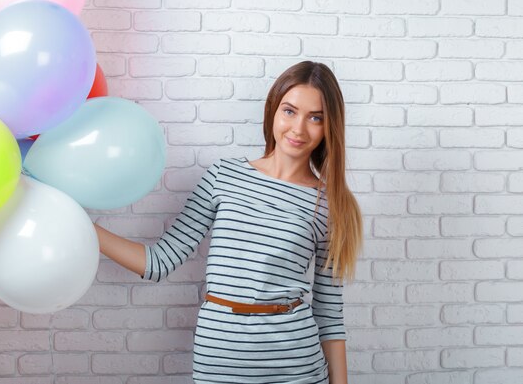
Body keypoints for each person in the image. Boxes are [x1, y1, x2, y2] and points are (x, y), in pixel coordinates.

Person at [94, 61, 363, 384]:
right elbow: (159, 262)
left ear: (329, 126)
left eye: (315, 118)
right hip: (219, 362)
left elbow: (330, 316)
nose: (299, 128)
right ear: (273, 111)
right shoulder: (224, 175)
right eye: (289, 111)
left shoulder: (330, 204)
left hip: (295, 365)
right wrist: (84, 229)